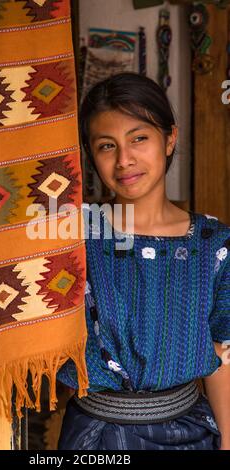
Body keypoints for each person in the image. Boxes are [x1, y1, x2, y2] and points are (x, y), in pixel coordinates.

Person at [56, 72, 230, 450]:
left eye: (139, 138)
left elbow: (225, 353)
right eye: (106, 146)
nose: (124, 160)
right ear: (91, 157)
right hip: (95, 435)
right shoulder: (73, 240)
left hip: (191, 434)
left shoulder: (214, 246)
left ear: (170, 139)